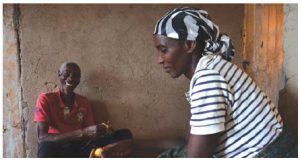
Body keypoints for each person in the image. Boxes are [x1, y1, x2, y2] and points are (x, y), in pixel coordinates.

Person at [152, 7, 288, 158]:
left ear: (189, 45)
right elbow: (189, 141)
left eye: (163, 50)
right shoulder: (211, 68)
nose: (159, 59)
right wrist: (133, 145)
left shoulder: (208, 77)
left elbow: (197, 156)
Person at [33, 62, 132, 158]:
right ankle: (103, 153)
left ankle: (103, 152)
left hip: (82, 148)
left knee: (125, 134)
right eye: (66, 73)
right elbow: (42, 138)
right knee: (45, 147)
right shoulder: (46, 99)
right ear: (59, 73)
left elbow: (90, 134)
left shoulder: (84, 102)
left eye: (76, 75)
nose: (71, 77)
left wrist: (101, 131)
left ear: (79, 79)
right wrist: (82, 133)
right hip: (60, 148)